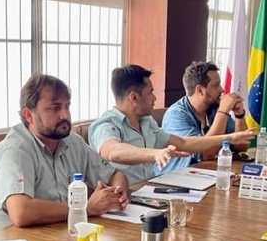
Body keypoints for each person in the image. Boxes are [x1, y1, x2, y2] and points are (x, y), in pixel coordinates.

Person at [0, 73, 129, 232]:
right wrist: (85, 208)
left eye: (67, 106)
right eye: (54, 108)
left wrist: (117, 193)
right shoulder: (15, 150)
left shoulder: (73, 142)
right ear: (28, 115)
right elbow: (21, 212)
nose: (64, 115)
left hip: (58, 236)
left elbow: (115, 174)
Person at [88, 64, 255, 184]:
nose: (155, 98)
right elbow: (113, 151)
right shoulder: (105, 125)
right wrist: (155, 154)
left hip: (148, 192)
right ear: (134, 97)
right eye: (150, 92)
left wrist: (230, 137)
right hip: (120, 200)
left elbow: (183, 143)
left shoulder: (146, 122)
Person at [158, 61, 247, 174]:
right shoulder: (176, 115)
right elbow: (206, 153)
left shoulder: (213, 108)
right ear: (200, 90)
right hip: (177, 177)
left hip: (206, 173)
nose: (222, 90)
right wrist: (223, 111)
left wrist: (239, 114)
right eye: (216, 85)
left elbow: (241, 146)